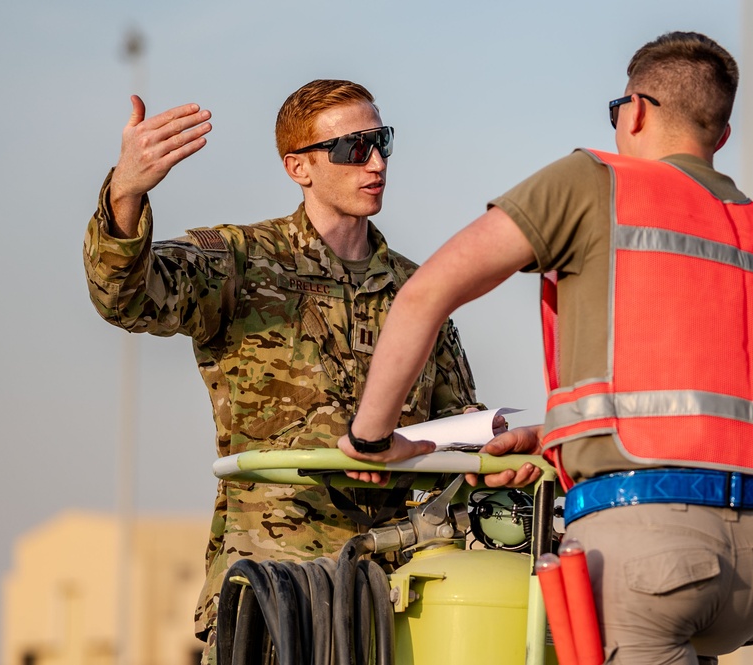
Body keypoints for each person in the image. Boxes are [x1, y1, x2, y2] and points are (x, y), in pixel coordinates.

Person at [338, 32, 753, 664]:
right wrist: (560, 437)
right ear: (721, 137)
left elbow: (426, 293)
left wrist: (375, 439)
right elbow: (711, 408)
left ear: (637, 110)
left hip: (647, 548)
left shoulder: (596, 182)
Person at [83, 79, 487, 662]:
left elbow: (458, 417)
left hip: (400, 592)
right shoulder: (241, 260)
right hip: (276, 596)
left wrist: (494, 442)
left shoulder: (417, 288)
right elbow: (124, 297)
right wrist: (125, 194)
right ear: (299, 167)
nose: (375, 162)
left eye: (383, 142)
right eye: (353, 148)